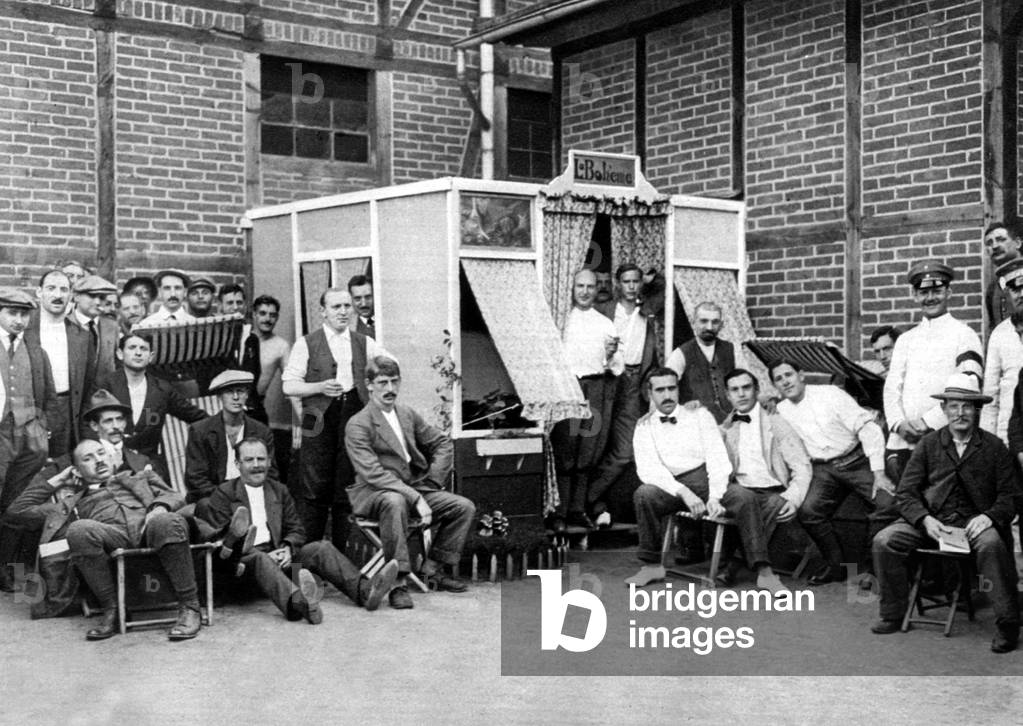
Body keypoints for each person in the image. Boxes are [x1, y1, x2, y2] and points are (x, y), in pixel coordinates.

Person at [871, 374, 1020, 653]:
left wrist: (988, 517)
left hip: (974, 526)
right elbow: (906, 493)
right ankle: (892, 612)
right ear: (944, 409)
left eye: (967, 406)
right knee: (884, 540)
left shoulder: (994, 447)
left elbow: (1010, 496)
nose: (960, 413)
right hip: (932, 523)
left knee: (992, 544)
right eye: (953, 406)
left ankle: (1008, 624)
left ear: (977, 410)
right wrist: (924, 519)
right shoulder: (929, 444)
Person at [196, 437, 399, 622]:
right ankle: (299, 605)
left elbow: (296, 529)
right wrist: (263, 555)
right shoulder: (224, 494)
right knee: (260, 558)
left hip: (280, 563)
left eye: (261, 459)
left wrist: (287, 547)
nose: (257, 465)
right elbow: (222, 545)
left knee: (321, 548)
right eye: (249, 460)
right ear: (237, 464)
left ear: (269, 462)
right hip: (243, 570)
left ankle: (365, 592)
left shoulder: (279, 490)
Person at [26, 440, 202, 640]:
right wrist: (57, 481)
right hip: (113, 538)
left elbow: (175, 496)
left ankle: (190, 607)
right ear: (76, 471)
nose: (98, 460)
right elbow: (18, 511)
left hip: (152, 530)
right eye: (88, 458)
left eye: (101, 453)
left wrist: (159, 507)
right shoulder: (71, 503)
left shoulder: (141, 477)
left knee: (166, 520)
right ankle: (113, 610)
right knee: (78, 529)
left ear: (111, 457)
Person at [346, 356, 474, 609]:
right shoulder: (358, 424)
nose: (390, 389)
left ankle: (432, 570)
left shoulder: (406, 414)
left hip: (413, 487)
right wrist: (415, 498)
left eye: (395, 381)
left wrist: (433, 481)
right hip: (375, 492)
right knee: (395, 502)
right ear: (369, 385)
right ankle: (398, 583)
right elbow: (373, 473)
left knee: (463, 507)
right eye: (382, 382)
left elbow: (442, 443)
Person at [771, 359, 896, 585]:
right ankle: (836, 566)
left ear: (801, 375)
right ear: (775, 386)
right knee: (808, 511)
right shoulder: (781, 410)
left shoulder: (830, 394)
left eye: (788, 375)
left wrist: (878, 473)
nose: (785, 382)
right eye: (778, 379)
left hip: (857, 460)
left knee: (886, 503)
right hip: (823, 468)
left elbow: (869, 429)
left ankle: (872, 569)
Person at [282, 287, 389, 553]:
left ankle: (340, 562)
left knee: (346, 487)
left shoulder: (365, 343)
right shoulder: (306, 343)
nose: (343, 312)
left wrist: (374, 397)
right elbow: (289, 385)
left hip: (352, 413)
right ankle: (305, 562)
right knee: (312, 489)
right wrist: (318, 387)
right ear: (323, 312)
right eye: (336, 307)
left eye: (346, 306)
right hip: (314, 417)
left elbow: (390, 369)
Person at [625, 366, 731, 587]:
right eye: (660, 390)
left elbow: (716, 457)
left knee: (736, 496)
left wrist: (714, 495)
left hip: (702, 479)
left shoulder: (699, 415)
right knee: (644, 494)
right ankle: (652, 567)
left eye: (671, 388)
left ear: (678, 390)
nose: (667, 395)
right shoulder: (644, 425)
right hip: (670, 486)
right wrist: (683, 492)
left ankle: (732, 563)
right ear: (650, 394)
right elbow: (648, 469)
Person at [883, 260, 983, 482]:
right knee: (904, 496)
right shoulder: (906, 340)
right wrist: (899, 424)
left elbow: (969, 385)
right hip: (903, 441)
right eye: (923, 292)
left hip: (944, 436)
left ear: (949, 292)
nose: (930, 298)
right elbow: (891, 388)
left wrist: (928, 423)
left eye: (937, 291)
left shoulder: (964, 334)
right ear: (915, 295)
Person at [716, 368, 811, 591]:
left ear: (757, 390)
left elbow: (801, 465)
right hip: (739, 490)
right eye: (735, 390)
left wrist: (793, 497)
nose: (741, 394)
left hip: (771, 490)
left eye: (746, 388)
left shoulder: (776, 422)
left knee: (776, 502)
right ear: (728, 395)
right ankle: (764, 573)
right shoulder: (726, 427)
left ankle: (735, 562)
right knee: (744, 497)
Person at [549, 268, 623, 530]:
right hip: (569, 389)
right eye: (580, 286)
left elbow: (617, 366)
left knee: (588, 451)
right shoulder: (561, 320)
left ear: (596, 290)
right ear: (572, 288)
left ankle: (577, 510)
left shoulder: (605, 323)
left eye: (590, 287)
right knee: (566, 450)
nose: (585, 291)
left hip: (596, 388)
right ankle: (558, 513)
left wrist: (611, 355)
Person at [587, 263, 660, 526]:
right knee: (596, 445)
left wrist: (650, 280)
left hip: (634, 383)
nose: (631, 286)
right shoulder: (604, 310)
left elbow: (663, 289)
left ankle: (586, 499)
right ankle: (594, 506)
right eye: (626, 281)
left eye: (636, 281)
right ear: (618, 284)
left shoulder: (647, 313)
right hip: (606, 380)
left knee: (624, 452)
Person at [0, 288, 58, 591]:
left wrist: (41, 430)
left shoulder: (36, 352)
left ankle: (9, 569)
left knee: (17, 504)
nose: (19, 320)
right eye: (12, 313)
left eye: (24, 314)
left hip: (28, 436)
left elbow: (49, 396)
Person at [97, 332, 207, 480]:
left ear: (151, 356)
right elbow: (88, 425)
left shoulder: (163, 389)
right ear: (120, 354)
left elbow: (196, 416)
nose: (138, 353)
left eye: (143, 349)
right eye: (132, 348)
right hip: (113, 465)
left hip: (150, 466)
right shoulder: (106, 385)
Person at [25, 270, 92, 457]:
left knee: (62, 464)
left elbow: (88, 383)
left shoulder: (81, 335)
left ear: (71, 295)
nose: (58, 295)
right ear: (39, 292)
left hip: (68, 408)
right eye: (51, 288)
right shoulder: (25, 329)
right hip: (31, 409)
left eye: (64, 289)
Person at [184, 370, 275, 505]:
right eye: (229, 392)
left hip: (251, 494)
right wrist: (227, 497)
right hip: (212, 495)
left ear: (247, 395)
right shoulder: (200, 431)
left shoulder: (261, 431)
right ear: (219, 396)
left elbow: (271, 473)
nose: (236, 397)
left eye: (240, 391)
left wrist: (249, 495)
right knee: (206, 506)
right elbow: (195, 478)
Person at [666, 301, 746, 423]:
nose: (709, 327)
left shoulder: (733, 350)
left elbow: (746, 382)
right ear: (694, 322)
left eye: (715, 322)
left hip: (731, 421)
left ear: (721, 325)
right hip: (696, 422)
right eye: (704, 321)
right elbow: (665, 387)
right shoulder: (680, 354)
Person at [251, 295, 293, 484]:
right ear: (254, 314)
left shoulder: (280, 346)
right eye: (263, 313)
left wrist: (301, 418)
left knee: (266, 461)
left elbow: (291, 381)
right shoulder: (241, 338)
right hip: (231, 405)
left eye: (272, 315)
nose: (267, 319)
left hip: (256, 408)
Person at [981, 260, 1023, 444]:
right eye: (1015, 289)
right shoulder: (1000, 334)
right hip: (1007, 440)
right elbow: (991, 395)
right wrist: (988, 445)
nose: (1021, 294)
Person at [70, 275, 119, 381]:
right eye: (92, 296)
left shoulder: (111, 326)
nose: (97, 302)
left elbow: (115, 362)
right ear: (76, 297)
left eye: (102, 297)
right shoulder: (65, 323)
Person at [983, 220, 1023, 327]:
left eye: (1001, 239)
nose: (995, 246)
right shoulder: (992, 288)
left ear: (1018, 243)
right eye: (989, 243)